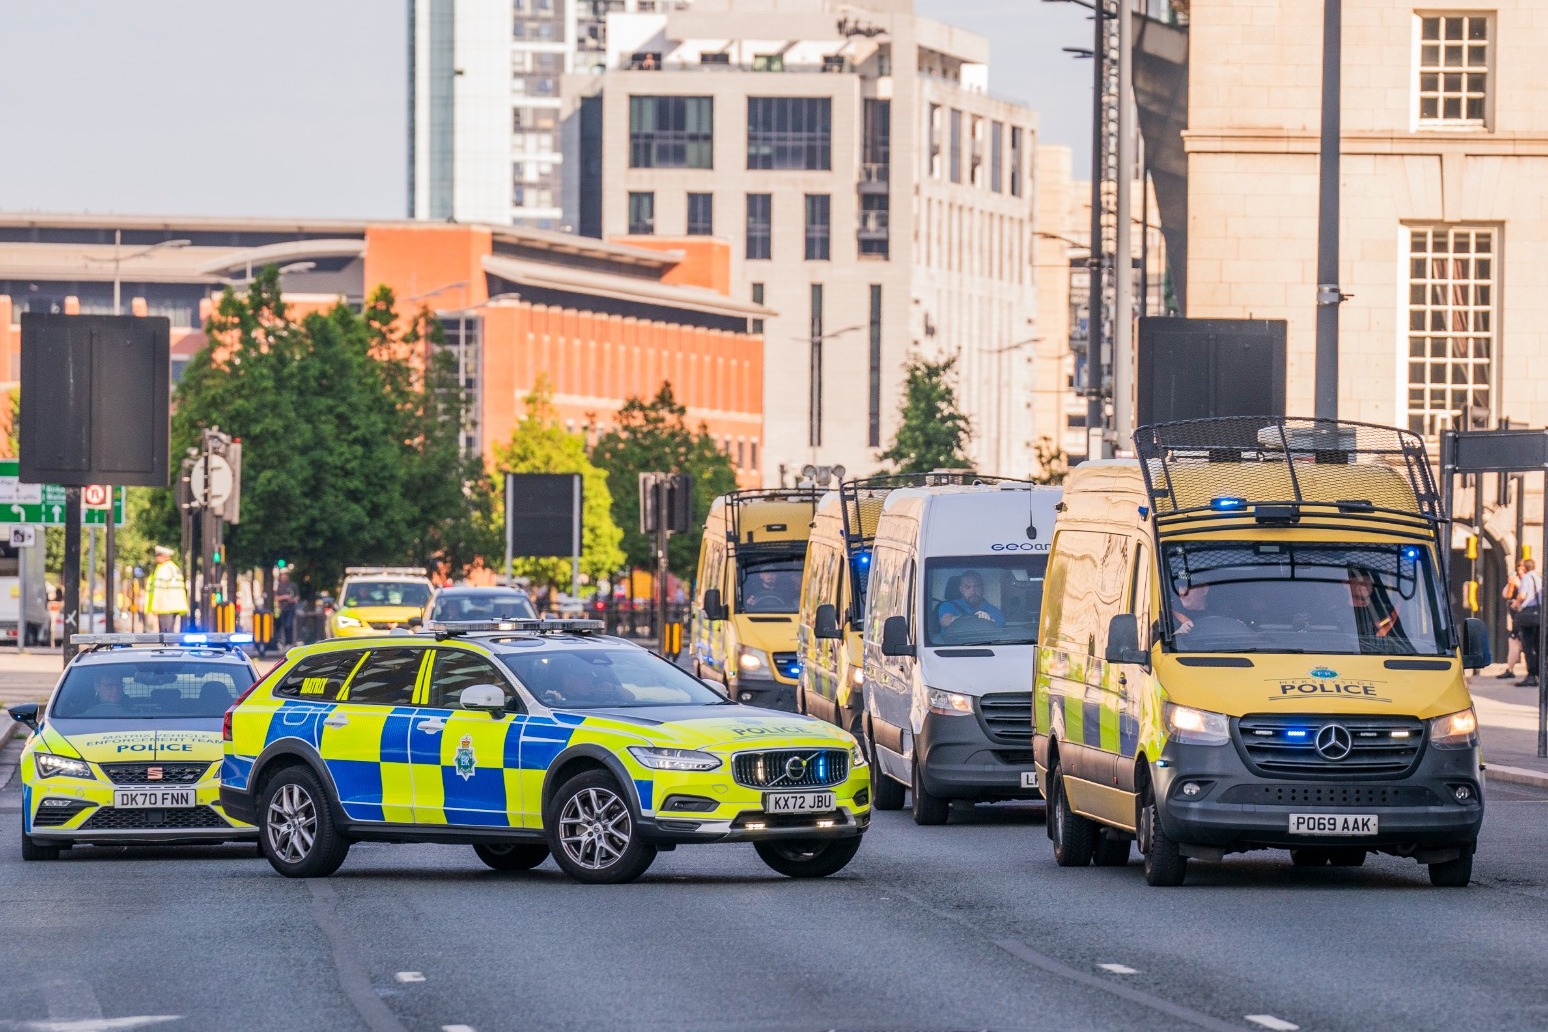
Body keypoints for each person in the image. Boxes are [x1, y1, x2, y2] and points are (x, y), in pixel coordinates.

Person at [1347, 567, 1412, 653]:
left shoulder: (1389, 613)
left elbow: (1402, 640)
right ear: (1346, 584)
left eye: (1367, 579)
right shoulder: (1334, 614)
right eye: (1358, 580)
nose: (1364, 584)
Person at [145, 545, 190, 633]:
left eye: (157, 556)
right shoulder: (175, 568)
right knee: (171, 634)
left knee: (165, 635)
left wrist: (155, 607)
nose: (156, 558)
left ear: (164, 556)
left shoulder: (163, 569)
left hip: (165, 606)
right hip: (175, 606)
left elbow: (159, 589)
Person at [938, 571, 1005, 629]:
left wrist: (989, 621)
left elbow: (997, 635)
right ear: (961, 589)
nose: (973, 591)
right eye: (967, 587)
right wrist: (974, 618)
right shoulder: (948, 606)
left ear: (982, 588)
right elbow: (945, 621)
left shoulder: (994, 611)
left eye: (977, 586)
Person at [1514, 559, 1542, 688]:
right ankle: (1539, 673)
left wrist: (1515, 604)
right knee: (1538, 645)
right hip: (1539, 614)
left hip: (1528, 614)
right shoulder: (1538, 577)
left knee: (1528, 645)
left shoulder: (1526, 578)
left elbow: (1523, 595)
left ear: (1524, 568)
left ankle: (1531, 674)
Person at [1498, 561, 1527, 678]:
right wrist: (1511, 583)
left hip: (1525, 617)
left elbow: (1526, 594)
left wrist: (1518, 584)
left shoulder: (1527, 581)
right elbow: (1506, 594)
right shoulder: (1515, 581)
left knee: (1526, 643)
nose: (1519, 570)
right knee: (1514, 641)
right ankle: (1510, 668)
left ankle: (1532, 671)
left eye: (1521, 567)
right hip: (1517, 618)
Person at [273, 570, 300, 648]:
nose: (284, 577)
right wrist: (285, 597)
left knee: (289, 625)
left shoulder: (293, 585)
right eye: (282, 575)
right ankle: (283, 642)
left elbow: (297, 596)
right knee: (283, 626)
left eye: (285, 575)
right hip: (282, 609)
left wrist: (293, 600)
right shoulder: (279, 586)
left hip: (290, 608)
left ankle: (289, 642)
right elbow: (276, 598)